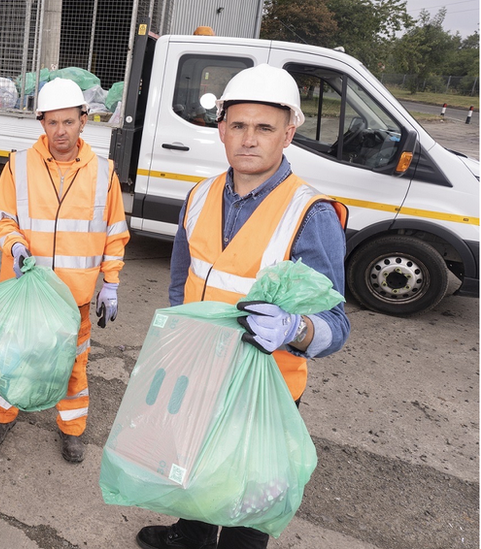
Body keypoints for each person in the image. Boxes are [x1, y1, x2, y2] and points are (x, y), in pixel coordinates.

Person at [135, 65, 350, 549]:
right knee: (190, 468)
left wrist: (296, 328)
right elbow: (181, 279)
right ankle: (188, 535)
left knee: (247, 497)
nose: (248, 140)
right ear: (221, 129)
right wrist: (179, 336)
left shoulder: (310, 214)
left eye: (264, 128)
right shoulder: (200, 194)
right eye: (238, 125)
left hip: (263, 388)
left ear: (289, 133)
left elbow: (336, 325)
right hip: (199, 372)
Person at [0, 78, 130, 463]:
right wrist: (14, 244)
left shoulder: (103, 172)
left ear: (84, 120)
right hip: (26, 293)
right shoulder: (19, 166)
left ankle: (71, 431)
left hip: (73, 300)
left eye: (68, 122)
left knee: (72, 368)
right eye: (52, 123)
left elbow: (115, 233)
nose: (60, 131)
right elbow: (0, 218)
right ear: (41, 123)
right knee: (11, 359)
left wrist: (110, 282)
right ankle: (3, 416)